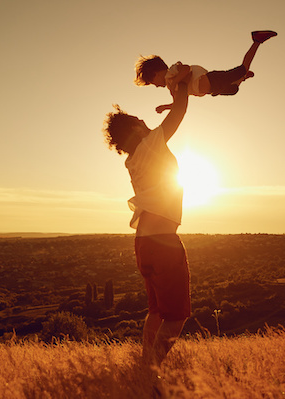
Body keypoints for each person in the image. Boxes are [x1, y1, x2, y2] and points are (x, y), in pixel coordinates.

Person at [103, 79, 191, 367]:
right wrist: (182, 85)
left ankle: (144, 366)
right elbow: (179, 114)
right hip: (163, 242)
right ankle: (151, 373)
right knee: (176, 317)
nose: (146, 121)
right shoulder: (150, 144)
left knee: (156, 312)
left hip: (143, 243)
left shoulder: (133, 160)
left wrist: (174, 96)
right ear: (135, 130)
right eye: (141, 120)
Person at [134, 30, 277, 113]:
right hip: (212, 89)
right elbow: (178, 103)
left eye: (153, 82)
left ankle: (257, 40)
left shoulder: (172, 72)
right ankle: (243, 77)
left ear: (156, 73)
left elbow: (186, 69)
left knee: (242, 68)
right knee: (234, 90)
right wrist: (165, 107)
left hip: (210, 79)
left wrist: (175, 82)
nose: (157, 86)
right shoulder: (172, 87)